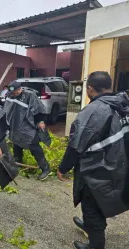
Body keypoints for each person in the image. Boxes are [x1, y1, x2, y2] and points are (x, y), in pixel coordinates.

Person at [57, 72, 129, 249]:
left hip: (97, 169)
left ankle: (95, 244)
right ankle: (89, 225)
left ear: (89, 88)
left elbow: (76, 145)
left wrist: (63, 168)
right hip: (119, 164)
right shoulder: (123, 104)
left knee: (92, 204)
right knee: (101, 201)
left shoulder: (93, 110)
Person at [3, 80, 50, 181]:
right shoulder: (10, 95)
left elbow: (40, 109)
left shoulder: (29, 96)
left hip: (27, 126)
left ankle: (45, 168)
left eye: (15, 92)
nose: (13, 94)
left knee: (34, 145)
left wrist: (41, 121)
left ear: (20, 89)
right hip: (15, 126)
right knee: (16, 142)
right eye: (12, 92)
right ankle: (17, 161)